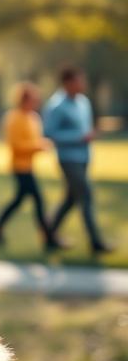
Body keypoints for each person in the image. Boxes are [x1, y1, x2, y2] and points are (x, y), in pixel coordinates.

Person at [42, 65, 113, 256]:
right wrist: (78, 137)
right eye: (78, 80)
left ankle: (48, 233)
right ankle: (96, 242)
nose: (83, 84)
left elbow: (85, 129)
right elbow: (49, 134)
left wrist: (88, 137)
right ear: (67, 82)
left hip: (83, 158)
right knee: (86, 195)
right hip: (68, 159)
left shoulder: (83, 102)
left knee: (71, 199)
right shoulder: (56, 106)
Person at [0, 83, 65, 253]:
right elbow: (16, 145)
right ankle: (49, 238)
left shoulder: (33, 118)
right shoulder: (14, 118)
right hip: (19, 167)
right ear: (23, 100)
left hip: (29, 166)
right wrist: (38, 147)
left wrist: (41, 144)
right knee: (38, 200)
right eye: (33, 100)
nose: (36, 103)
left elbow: (34, 139)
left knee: (19, 200)